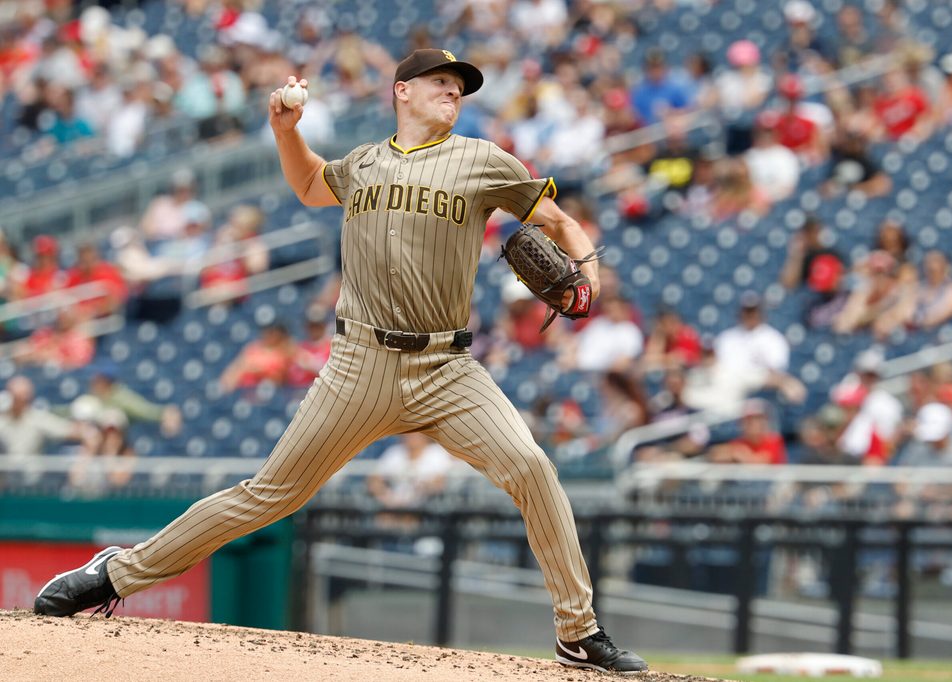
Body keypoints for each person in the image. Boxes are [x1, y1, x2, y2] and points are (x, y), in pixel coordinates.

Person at [34, 49, 647, 674]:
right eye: (440, 81)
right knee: (266, 497)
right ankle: (116, 574)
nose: (453, 92)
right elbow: (306, 185)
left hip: (447, 368)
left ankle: (578, 632)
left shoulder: (484, 160)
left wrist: (588, 282)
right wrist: (284, 131)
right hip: (360, 364)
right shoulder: (364, 162)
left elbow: (561, 221)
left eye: (459, 86)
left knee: (532, 468)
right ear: (401, 91)